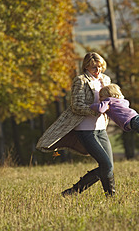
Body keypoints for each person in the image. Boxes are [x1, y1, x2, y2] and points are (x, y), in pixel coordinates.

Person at [36, 52, 115, 197]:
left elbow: (114, 99)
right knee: (106, 165)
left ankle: (111, 197)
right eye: (93, 68)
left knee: (109, 166)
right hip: (85, 130)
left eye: (99, 67)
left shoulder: (106, 79)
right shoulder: (80, 81)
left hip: (101, 128)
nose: (97, 71)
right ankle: (73, 192)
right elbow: (76, 105)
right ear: (86, 67)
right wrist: (96, 111)